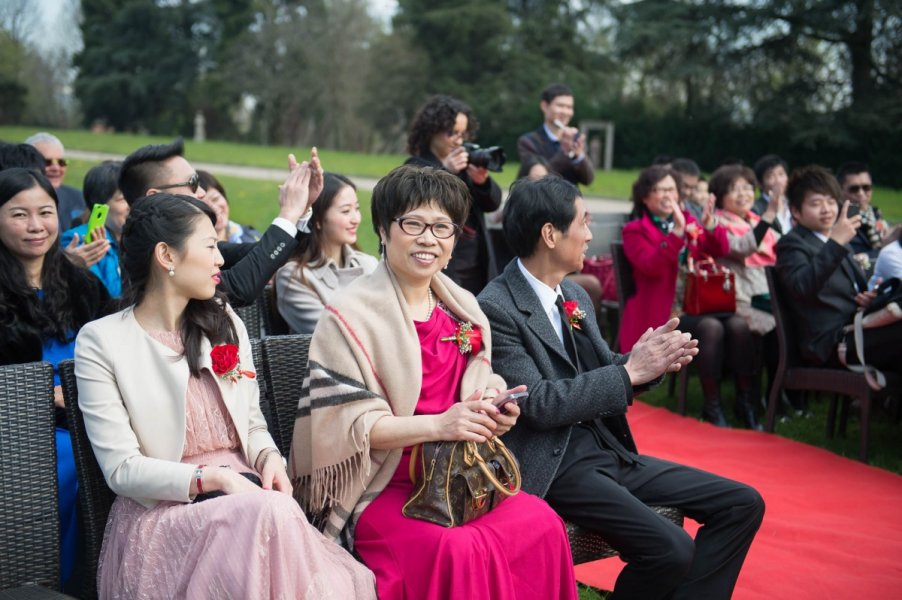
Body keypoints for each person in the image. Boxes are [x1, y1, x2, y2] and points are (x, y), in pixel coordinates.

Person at [289, 165, 578, 600]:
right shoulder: (349, 317)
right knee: (455, 548)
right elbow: (354, 428)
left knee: (540, 521)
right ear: (384, 231)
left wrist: (494, 403)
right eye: (414, 224)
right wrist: (442, 425)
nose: (429, 239)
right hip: (386, 485)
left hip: (464, 478)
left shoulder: (461, 305)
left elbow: (481, 376)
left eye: (443, 227)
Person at [73, 194, 375, 599]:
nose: (220, 260)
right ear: (167, 255)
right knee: (271, 517)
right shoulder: (103, 341)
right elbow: (122, 469)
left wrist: (270, 460)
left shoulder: (224, 320)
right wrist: (214, 479)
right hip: (168, 512)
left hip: (254, 499)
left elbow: (251, 422)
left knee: (275, 516)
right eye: (211, 246)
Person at [478, 176, 764, 600]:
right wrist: (629, 372)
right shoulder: (496, 306)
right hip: (554, 464)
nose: (590, 234)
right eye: (583, 222)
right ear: (550, 234)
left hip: (607, 450)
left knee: (742, 503)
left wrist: (646, 362)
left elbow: (602, 369)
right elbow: (535, 403)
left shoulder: (572, 293)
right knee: (671, 549)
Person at [0, 167, 111, 585]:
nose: (35, 226)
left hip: (93, 418)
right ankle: (56, 581)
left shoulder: (81, 284)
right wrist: (47, 397)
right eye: (18, 214)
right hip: (25, 432)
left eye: (45, 212)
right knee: (71, 469)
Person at [620, 166, 761, 428]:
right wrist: (675, 236)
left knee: (738, 325)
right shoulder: (635, 230)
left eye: (670, 189)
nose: (666, 195)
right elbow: (651, 266)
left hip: (701, 302)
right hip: (665, 313)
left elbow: (720, 249)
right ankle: (712, 405)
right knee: (711, 328)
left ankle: (746, 401)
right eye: (658, 190)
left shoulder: (688, 219)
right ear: (645, 198)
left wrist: (710, 225)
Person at [118, 138, 321, 307]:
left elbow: (274, 255)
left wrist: (300, 212)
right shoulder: (152, 252)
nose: (202, 192)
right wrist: (288, 213)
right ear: (154, 196)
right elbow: (240, 286)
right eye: (192, 184)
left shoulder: (190, 242)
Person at [775, 165, 902, 376]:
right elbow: (802, 286)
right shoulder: (792, 244)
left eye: (831, 201)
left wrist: (870, 299)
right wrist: (835, 242)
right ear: (795, 211)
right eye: (816, 203)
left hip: (856, 328)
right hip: (831, 342)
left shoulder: (838, 240)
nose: (826, 209)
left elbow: (854, 290)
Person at [404, 95, 502, 295]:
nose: (459, 140)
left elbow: (493, 203)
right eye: (452, 133)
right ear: (432, 131)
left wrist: (482, 182)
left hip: (478, 264)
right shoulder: (414, 166)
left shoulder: (465, 163)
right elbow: (423, 204)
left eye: (463, 134)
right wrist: (445, 170)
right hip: (445, 266)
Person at [275, 172, 378, 334]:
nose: (356, 218)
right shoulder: (295, 277)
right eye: (346, 211)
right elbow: (331, 334)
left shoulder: (369, 264)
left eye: (356, 209)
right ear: (317, 220)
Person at [60, 161, 128, 297]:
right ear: (100, 205)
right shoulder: (79, 241)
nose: (132, 205)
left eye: (134, 196)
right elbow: (105, 298)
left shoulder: (139, 238)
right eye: (122, 199)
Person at [517, 83, 594, 186]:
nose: (565, 112)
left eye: (569, 107)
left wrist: (580, 156)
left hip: (571, 201)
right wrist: (564, 152)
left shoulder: (576, 139)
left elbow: (587, 180)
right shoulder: (529, 141)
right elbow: (540, 179)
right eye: (560, 106)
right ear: (544, 106)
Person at [25, 132, 87, 231]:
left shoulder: (79, 198)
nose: (56, 168)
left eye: (61, 162)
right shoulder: (18, 203)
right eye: (47, 162)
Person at [836, 161, 889, 261]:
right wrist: (887, 246)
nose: (861, 193)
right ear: (840, 190)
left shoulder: (875, 213)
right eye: (854, 189)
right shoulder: (838, 221)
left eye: (866, 187)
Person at [197, 170, 262, 243]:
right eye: (204, 205)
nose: (213, 208)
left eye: (215, 199)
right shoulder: (194, 251)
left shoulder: (251, 236)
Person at [751, 154, 792, 233]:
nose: (778, 181)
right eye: (771, 176)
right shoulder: (756, 209)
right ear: (760, 183)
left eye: (781, 174)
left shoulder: (794, 204)